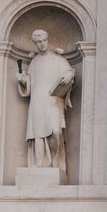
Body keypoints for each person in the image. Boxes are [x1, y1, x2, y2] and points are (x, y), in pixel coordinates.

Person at [16, 28, 76, 172]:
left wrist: (70, 74)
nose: (42, 44)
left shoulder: (58, 59)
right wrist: (23, 80)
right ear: (35, 43)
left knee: (55, 131)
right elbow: (30, 84)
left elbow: (69, 71)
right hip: (37, 100)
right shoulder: (34, 63)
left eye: (44, 41)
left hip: (53, 100)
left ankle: (55, 164)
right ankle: (39, 163)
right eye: (38, 42)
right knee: (37, 133)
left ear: (47, 40)